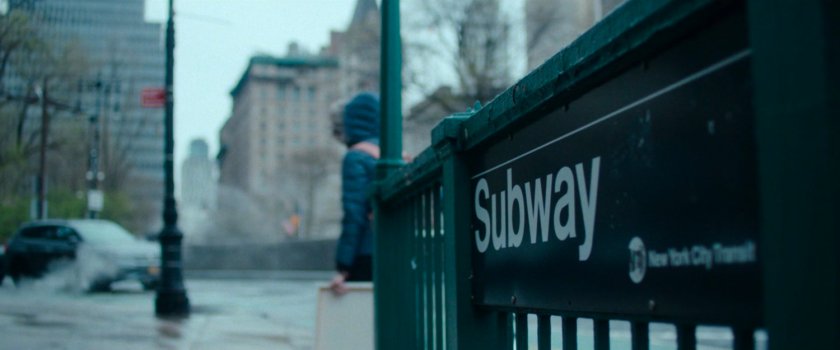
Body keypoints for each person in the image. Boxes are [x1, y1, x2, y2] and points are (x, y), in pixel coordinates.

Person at [329, 92, 380, 294]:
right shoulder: (394, 154)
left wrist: (344, 267)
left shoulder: (356, 157)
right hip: (399, 250)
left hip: (367, 255)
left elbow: (354, 215)